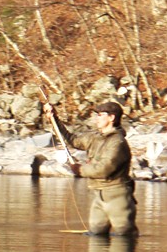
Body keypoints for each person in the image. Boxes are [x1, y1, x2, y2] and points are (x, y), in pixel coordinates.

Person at [43, 100, 138, 236]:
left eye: (100, 115)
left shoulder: (118, 143)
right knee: (95, 235)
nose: (96, 118)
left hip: (117, 196)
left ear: (111, 118)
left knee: (124, 236)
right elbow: (71, 139)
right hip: (98, 196)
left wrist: (80, 169)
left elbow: (104, 168)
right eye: (97, 115)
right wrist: (54, 119)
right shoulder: (95, 138)